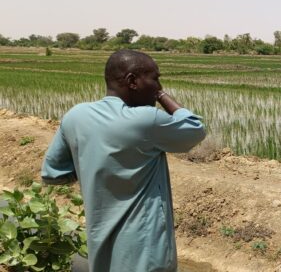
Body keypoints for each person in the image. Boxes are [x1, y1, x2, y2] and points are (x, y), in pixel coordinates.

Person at [41, 49, 206, 272]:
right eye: (155, 79)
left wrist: (95, 168)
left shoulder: (76, 116)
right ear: (132, 81)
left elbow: (53, 174)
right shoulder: (145, 120)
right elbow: (195, 129)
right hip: (146, 256)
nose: (158, 85)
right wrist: (161, 96)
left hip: (102, 255)